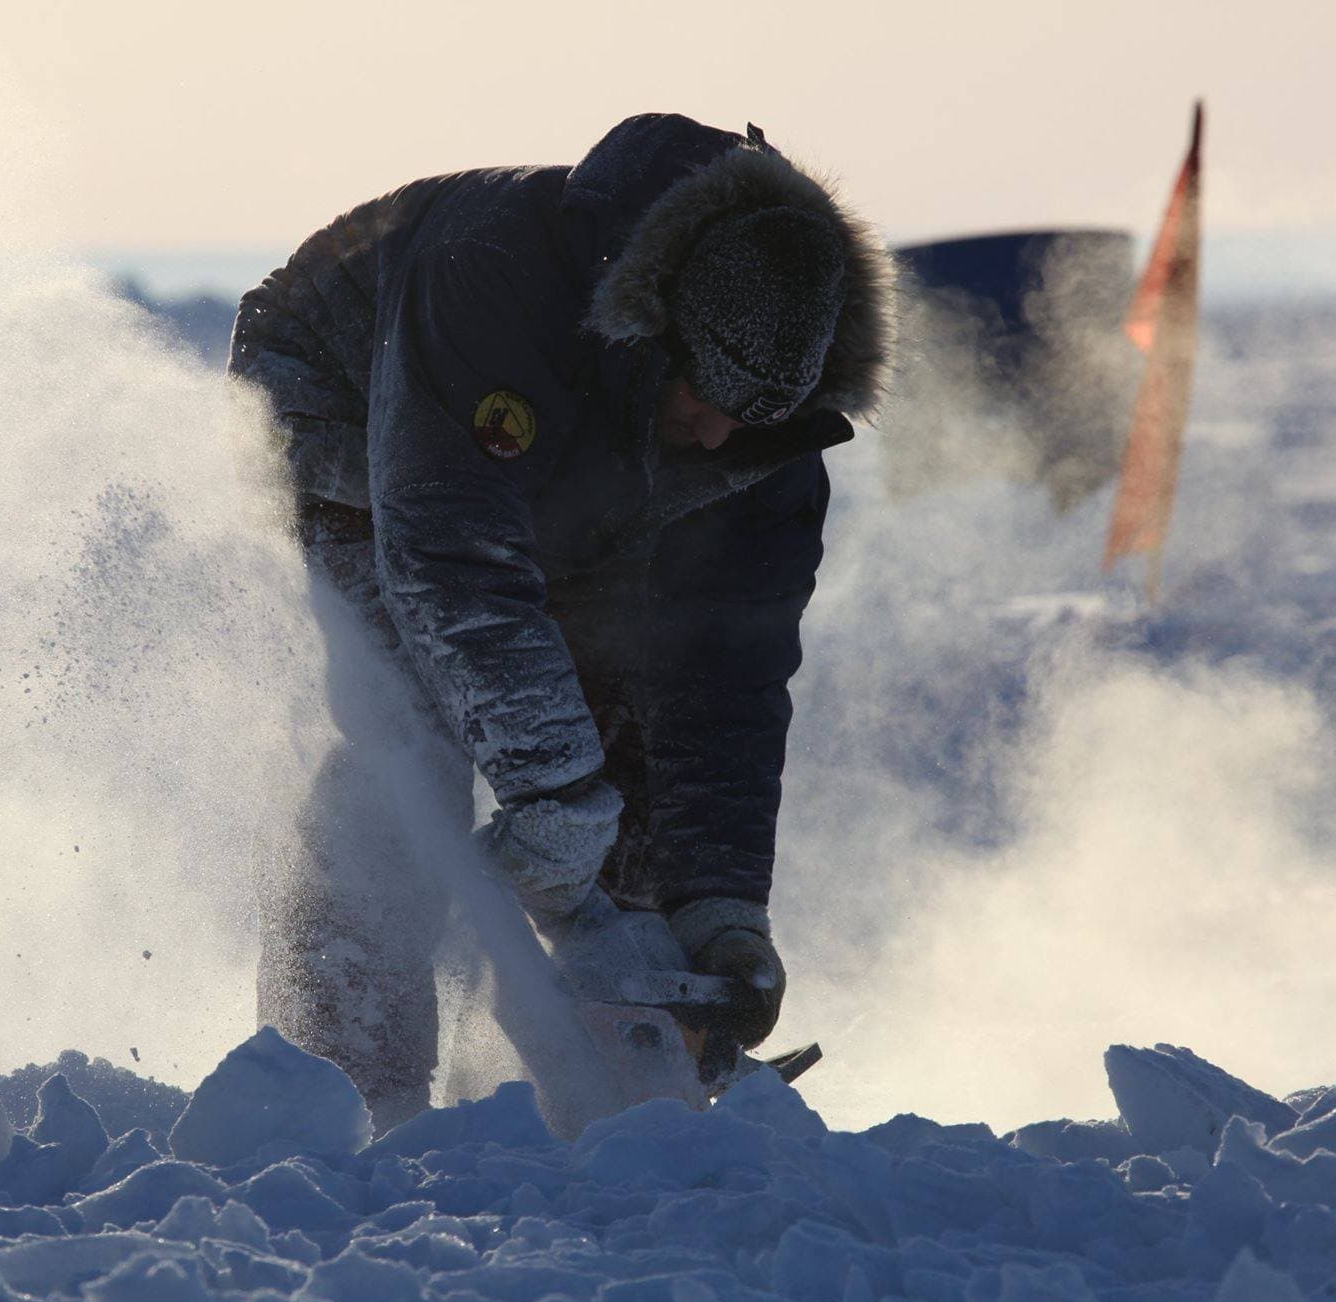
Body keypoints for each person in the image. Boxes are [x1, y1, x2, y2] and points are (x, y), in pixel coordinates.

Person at [228, 113, 891, 1129]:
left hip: (561, 485)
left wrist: (719, 907)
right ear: (651, 327)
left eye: (744, 419)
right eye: (702, 396)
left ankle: (596, 1082)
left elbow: (728, 684)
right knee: (408, 744)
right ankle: (343, 1090)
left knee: (617, 760)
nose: (717, 432)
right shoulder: (495, 276)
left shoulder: (759, 431)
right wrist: (551, 793)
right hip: (349, 425)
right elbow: (449, 558)